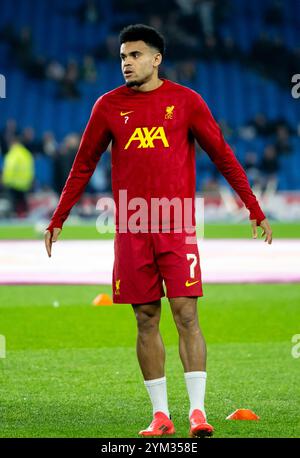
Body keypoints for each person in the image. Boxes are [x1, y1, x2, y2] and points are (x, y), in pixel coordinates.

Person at [44, 24, 273, 438]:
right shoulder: (107, 106)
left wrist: (253, 207)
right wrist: (58, 217)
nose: (126, 63)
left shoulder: (186, 102)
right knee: (146, 319)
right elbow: (82, 164)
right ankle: (160, 415)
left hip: (176, 226)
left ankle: (198, 413)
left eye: (134, 55)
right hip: (131, 229)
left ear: (156, 59)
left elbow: (222, 154)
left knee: (186, 313)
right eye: (122, 57)